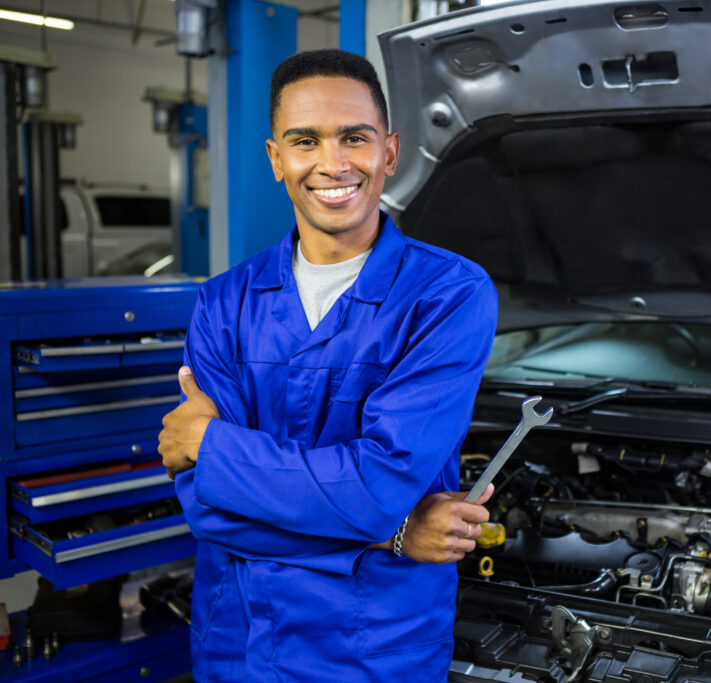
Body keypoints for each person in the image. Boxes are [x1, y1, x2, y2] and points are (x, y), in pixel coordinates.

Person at [157, 49, 498, 682]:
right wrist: (391, 536)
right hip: (238, 641)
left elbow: (375, 490)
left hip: (371, 651)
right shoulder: (224, 300)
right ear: (275, 159)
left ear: (389, 153)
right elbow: (203, 506)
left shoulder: (449, 293)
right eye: (305, 140)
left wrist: (212, 445)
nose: (332, 163)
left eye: (354, 138)